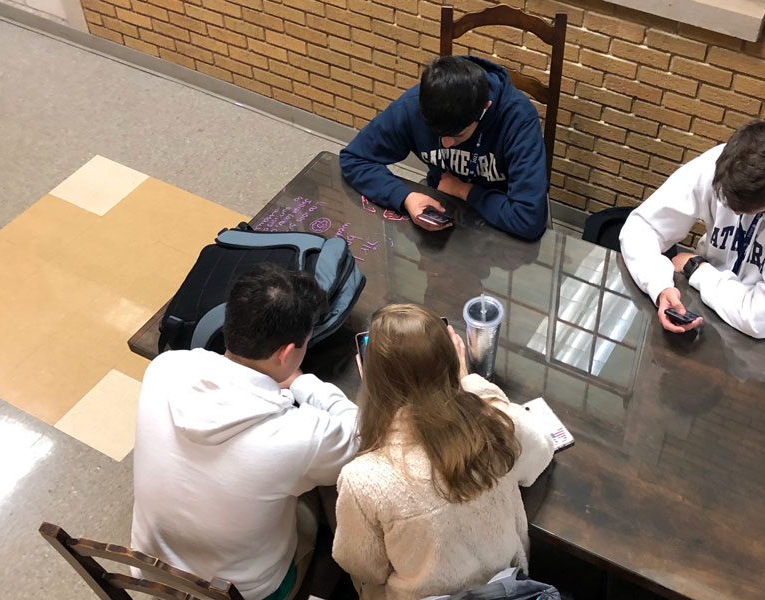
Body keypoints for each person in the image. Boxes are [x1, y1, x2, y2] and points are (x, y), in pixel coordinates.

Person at [131, 263, 359, 600]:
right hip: (251, 590)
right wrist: (302, 381)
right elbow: (357, 437)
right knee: (328, 494)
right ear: (286, 352)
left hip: (154, 571)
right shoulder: (299, 434)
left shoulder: (165, 368)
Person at [332, 304, 555, 600]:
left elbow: (363, 567)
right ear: (454, 361)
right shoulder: (496, 423)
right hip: (507, 590)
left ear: (369, 378)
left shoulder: (362, 479)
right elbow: (542, 452)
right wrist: (471, 383)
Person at [619, 120, 765, 339]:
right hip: (712, 295)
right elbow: (641, 226)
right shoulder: (727, 162)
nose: (735, 215)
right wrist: (659, 286)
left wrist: (697, 268)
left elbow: (760, 320)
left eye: (748, 210)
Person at [340, 55, 549, 240]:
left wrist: (463, 190)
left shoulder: (518, 118)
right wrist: (405, 197)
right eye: (437, 134)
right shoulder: (413, 106)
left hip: (501, 216)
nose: (446, 144)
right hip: (442, 203)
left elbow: (528, 219)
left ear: (485, 108)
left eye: (458, 135)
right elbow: (354, 158)